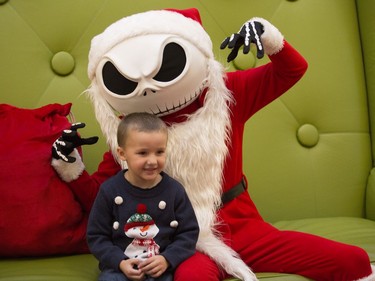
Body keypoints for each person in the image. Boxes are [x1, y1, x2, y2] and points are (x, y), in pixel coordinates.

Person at [54, 8, 375, 281]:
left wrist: (266, 36)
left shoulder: (224, 93)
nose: (149, 87)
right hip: (184, 238)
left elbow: (292, 70)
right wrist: (71, 165)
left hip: (247, 227)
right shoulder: (132, 129)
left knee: (354, 261)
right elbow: (103, 196)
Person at [86, 112, 199, 281]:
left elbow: (189, 233)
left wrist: (167, 259)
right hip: (119, 269)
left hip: (159, 268)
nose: (152, 161)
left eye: (159, 152)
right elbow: (96, 236)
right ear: (122, 154)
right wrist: (120, 262)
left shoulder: (174, 191)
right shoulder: (109, 190)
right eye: (143, 153)